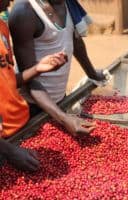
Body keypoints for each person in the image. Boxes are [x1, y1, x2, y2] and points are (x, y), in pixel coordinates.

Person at [8, 0, 101, 137]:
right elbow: (29, 79)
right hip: (31, 107)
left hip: (58, 101)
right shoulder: (25, 11)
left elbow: (75, 41)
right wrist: (64, 118)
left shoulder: (69, 4)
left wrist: (93, 74)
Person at [0, 0, 69, 171]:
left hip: (18, 126)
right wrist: (10, 152)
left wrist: (38, 69)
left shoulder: (2, 27)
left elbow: (7, 80)